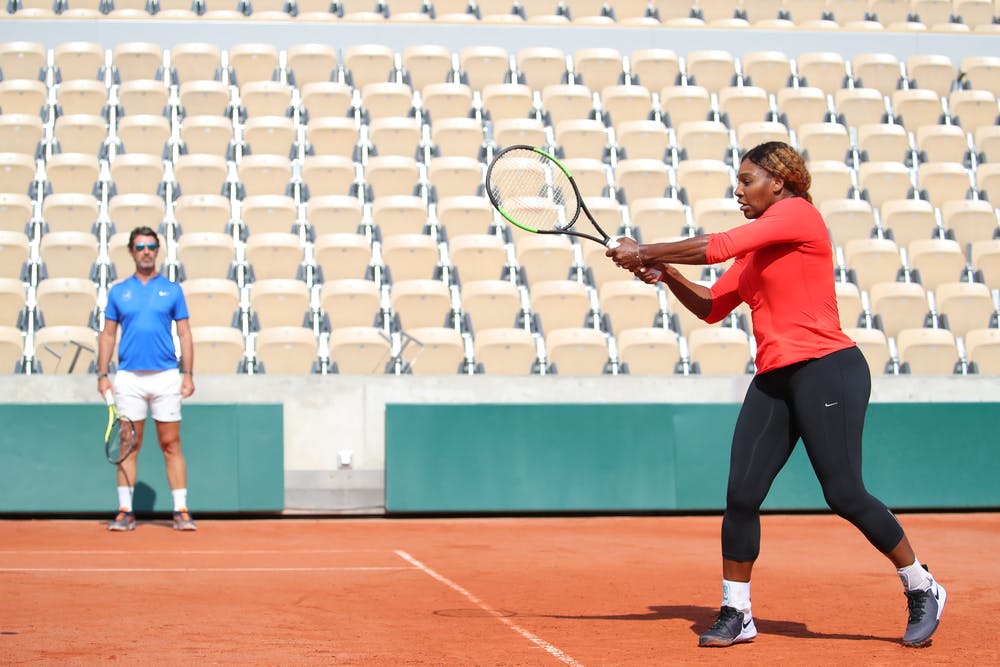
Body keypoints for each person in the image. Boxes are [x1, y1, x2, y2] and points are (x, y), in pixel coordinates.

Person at [606, 142, 946, 648]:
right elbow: (712, 306)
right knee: (741, 495)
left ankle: (922, 586)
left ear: (779, 182)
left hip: (828, 370)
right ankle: (736, 612)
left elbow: (715, 245)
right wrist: (669, 274)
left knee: (845, 494)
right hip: (775, 379)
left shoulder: (797, 215)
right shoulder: (759, 253)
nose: (738, 190)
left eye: (747, 180)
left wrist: (648, 249)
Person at [96, 226, 197, 532]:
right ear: (131, 252)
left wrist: (188, 373)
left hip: (166, 375)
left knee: (171, 443)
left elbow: (184, 333)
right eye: (140, 247)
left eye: (151, 246)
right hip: (129, 377)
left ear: (157, 250)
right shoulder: (118, 292)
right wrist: (102, 375)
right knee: (128, 443)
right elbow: (108, 335)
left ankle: (180, 510)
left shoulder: (172, 290)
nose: (146, 252)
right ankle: (125, 510)